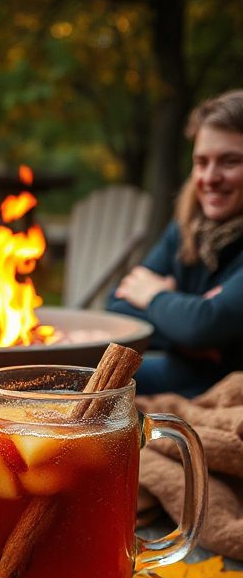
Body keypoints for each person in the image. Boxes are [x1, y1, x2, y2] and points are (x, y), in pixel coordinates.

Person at [107, 88, 243, 397]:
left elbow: (203, 325)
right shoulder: (188, 227)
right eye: (201, 162)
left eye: (230, 161)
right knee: (64, 380)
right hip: (181, 373)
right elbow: (117, 305)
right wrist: (183, 330)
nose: (210, 177)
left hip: (231, 390)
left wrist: (155, 296)